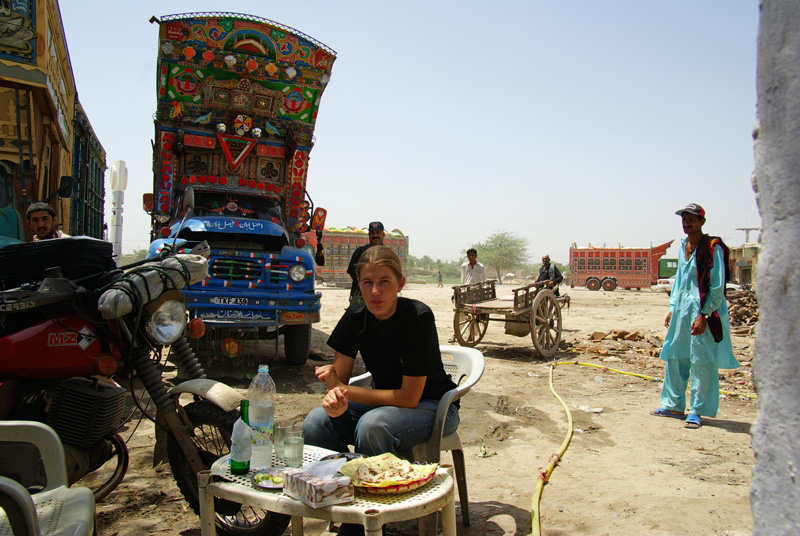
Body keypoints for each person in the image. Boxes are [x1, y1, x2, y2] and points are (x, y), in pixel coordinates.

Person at [303, 244, 459, 456]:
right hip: (381, 405)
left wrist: (340, 388)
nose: (375, 291)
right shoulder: (355, 317)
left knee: (372, 426)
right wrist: (334, 395)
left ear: (400, 283)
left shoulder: (418, 317)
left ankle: (376, 486)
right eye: (367, 282)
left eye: (384, 282)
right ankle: (340, 482)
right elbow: (337, 384)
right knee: (315, 422)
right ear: (359, 285)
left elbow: (409, 398)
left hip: (433, 406)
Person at [650, 203, 739, 429]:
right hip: (682, 311)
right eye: (684, 220)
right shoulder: (683, 246)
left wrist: (704, 315)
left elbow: (717, 286)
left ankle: (697, 411)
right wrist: (673, 307)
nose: (687, 223)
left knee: (701, 360)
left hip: (703, 312)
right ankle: (673, 405)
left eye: (692, 219)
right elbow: (680, 281)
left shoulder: (712, 248)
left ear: (702, 222)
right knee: (676, 357)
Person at [448, 248, 486, 342]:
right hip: (465, 292)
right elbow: (463, 280)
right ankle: (455, 334)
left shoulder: (481, 267)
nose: (471, 257)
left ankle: (471, 335)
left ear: (476, 256)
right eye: (469, 255)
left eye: (472, 255)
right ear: (467, 256)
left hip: (477, 293)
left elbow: (483, 281)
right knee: (460, 313)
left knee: (475, 314)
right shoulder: (464, 266)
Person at [346, 221, 385, 304]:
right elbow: (352, 272)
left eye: (378, 232)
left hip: (383, 295)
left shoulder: (388, 254)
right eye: (372, 233)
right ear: (369, 235)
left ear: (383, 234)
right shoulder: (360, 252)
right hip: (360, 296)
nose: (375, 236)